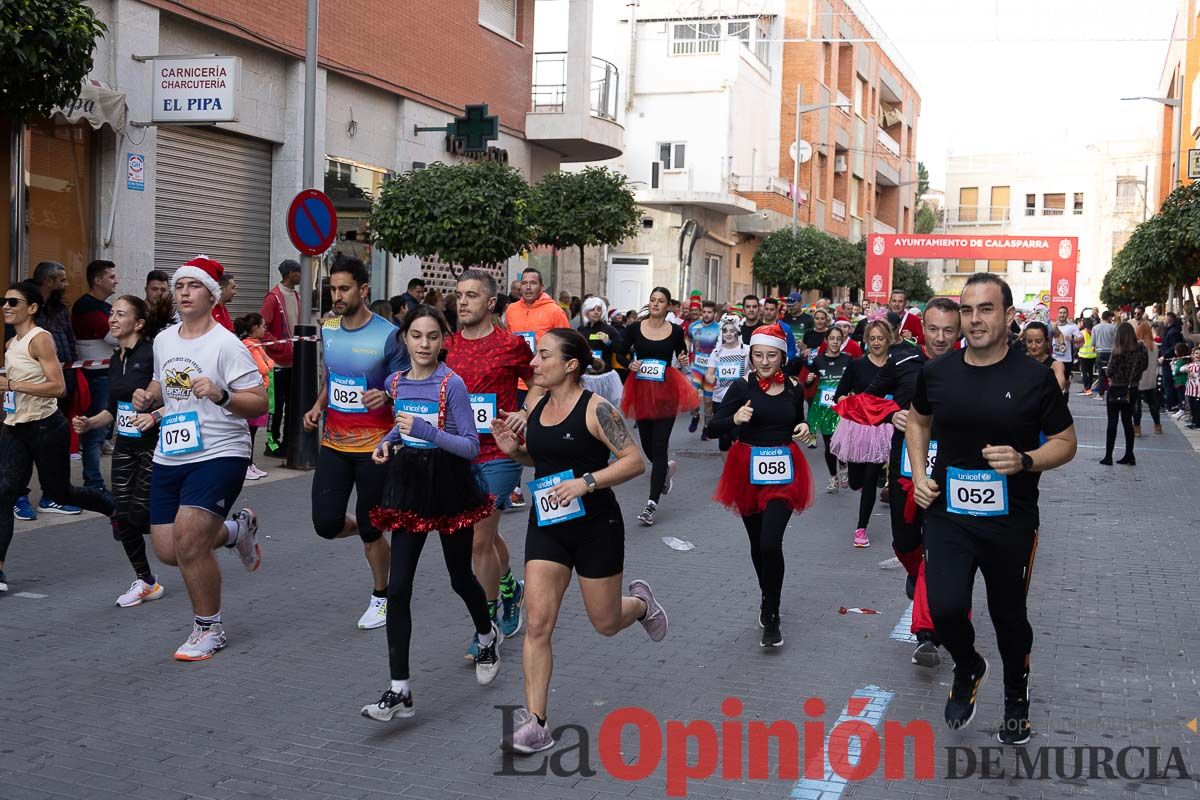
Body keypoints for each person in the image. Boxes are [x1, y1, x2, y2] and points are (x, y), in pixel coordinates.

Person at [907, 272, 1076, 744]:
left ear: (1006, 316)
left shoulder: (1033, 378)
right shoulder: (937, 372)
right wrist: (921, 475)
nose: (974, 319)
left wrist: (1025, 461)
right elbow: (918, 423)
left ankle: (1016, 700)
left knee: (1008, 617)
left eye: (986, 309)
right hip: (948, 513)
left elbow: (1066, 442)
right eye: (967, 310)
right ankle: (968, 665)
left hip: (1010, 520)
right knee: (944, 609)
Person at [490, 328, 667, 754]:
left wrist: (587, 482)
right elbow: (545, 460)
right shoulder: (535, 406)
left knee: (605, 623)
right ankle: (536, 722)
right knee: (537, 623)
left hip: (595, 527)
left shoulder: (596, 409)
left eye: (543, 356)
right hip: (548, 525)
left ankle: (641, 605)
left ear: (570, 365)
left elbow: (634, 463)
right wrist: (514, 452)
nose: (534, 364)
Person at [360, 306, 500, 721]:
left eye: (433, 337)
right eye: (416, 336)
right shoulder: (396, 381)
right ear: (405, 339)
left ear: (444, 341)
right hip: (409, 486)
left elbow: (471, 446)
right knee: (399, 587)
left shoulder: (452, 384)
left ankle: (486, 633)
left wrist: (426, 433)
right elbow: (402, 425)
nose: (424, 344)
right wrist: (386, 441)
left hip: (450, 486)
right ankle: (399, 688)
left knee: (460, 577)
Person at [132, 256, 267, 661]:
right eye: (180, 286)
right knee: (169, 551)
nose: (185, 293)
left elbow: (259, 400)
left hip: (221, 450)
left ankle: (209, 628)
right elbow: (162, 382)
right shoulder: (164, 339)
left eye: (194, 286)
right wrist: (149, 397)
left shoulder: (227, 344)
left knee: (190, 541)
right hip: (172, 451)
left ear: (211, 294)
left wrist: (222, 395)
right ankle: (237, 530)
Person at [302, 258, 407, 630]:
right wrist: (317, 405)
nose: (337, 295)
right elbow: (332, 374)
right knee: (325, 523)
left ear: (364, 290)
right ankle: (367, 531)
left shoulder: (388, 334)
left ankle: (382, 596)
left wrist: (388, 396)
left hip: (376, 447)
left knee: (371, 526)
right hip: (334, 442)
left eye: (344, 288)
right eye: (332, 288)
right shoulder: (329, 328)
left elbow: (406, 384)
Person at [0, 282, 116, 594]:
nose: (6, 307)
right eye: (4, 302)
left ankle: (114, 509)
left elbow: (57, 388)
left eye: (13, 302)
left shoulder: (41, 339)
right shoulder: (12, 342)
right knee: (4, 494)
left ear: (32, 308)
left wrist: (11, 385)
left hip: (46, 427)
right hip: (14, 427)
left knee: (60, 492)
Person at [866, 297, 962, 668]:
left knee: (935, 554)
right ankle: (914, 572)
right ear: (922, 326)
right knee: (907, 542)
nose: (940, 338)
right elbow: (865, 397)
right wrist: (892, 414)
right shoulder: (902, 360)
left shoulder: (969, 365)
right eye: (933, 329)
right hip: (905, 469)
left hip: (948, 471)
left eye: (948, 331)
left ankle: (927, 636)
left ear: (959, 330)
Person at [445, 269, 536, 655]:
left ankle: (487, 624)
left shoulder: (512, 345)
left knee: (478, 540)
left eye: (471, 296)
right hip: (456, 452)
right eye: (459, 295)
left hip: (499, 452)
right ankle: (510, 587)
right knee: (487, 533)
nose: (462, 302)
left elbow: (539, 379)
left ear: (491, 303)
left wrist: (525, 411)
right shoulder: (446, 345)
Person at [708, 323, 814, 647]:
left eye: (771, 355)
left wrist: (803, 428)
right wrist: (734, 420)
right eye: (758, 355)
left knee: (771, 543)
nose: (765, 362)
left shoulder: (795, 387)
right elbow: (714, 428)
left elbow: (797, 419)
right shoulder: (741, 387)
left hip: (783, 471)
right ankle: (766, 597)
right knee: (757, 545)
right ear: (750, 356)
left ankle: (773, 610)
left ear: (782, 356)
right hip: (747, 469)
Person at [72, 294, 174, 606]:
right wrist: (90, 423)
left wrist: (152, 411)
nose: (112, 319)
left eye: (120, 314)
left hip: (155, 445)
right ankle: (146, 581)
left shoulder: (152, 353)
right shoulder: (116, 358)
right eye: (112, 313)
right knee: (121, 514)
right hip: (126, 446)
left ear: (139, 323)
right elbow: (113, 410)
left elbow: (174, 396)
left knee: (139, 515)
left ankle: (198, 530)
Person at [616, 287, 698, 526]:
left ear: (667, 306)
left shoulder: (674, 331)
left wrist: (683, 360)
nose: (655, 304)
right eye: (652, 300)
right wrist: (629, 364)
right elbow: (620, 354)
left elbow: (682, 356)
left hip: (666, 391)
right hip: (641, 390)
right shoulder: (634, 328)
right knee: (648, 446)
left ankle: (651, 504)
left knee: (660, 446)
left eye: (660, 301)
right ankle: (664, 470)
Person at [13, 262, 82, 520]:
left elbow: (68, 340)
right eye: (62, 280)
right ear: (49, 281)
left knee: (53, 444)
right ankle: (18, 497)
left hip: (60, 382)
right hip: (29, 385)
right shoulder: (22, 305)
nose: (66, 284)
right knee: (24, 444)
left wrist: (72, 373)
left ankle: (52, 496)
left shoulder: (58, 308)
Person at [504, 268, 571, 509]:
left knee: (540, 436)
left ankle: (546, 488)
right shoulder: (511, 310)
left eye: (533, 283)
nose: (529, 287)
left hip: (544, 384)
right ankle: (514, 488)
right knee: (515, 433)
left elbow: (567, 341)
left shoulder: (554, 311)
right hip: (517, 382)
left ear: (542, 286)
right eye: (525, 283)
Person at [830, 318, 896, 548]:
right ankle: (849, 471)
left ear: (889, 340)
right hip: (857, 426)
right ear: (866, 340)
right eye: (872, 338)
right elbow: (839, 393)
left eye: (881, 338)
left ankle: (861, 528)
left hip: (882, 427)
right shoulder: (857, 365)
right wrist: (846, 400)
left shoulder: (896, 364)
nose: (877, 343)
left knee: (869, 479)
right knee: (858, 480)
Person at [71, 259, 119, 495]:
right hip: (96, 378)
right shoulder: (87, 307)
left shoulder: (102, 306)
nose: (115, 280)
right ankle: (93, 482)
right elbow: (113, 336)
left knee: (101, 431)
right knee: (95, 431)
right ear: (97, 280)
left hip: (105, 376)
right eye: (111, 276)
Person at [261, 259, 302, 458]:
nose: (301, 275)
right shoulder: (273, 298)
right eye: (298, 272)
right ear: (290, 273)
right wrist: (280, 345)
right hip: (276, 363)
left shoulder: (297, 296)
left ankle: (287, 441)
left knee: (291, 405)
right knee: (275, 407)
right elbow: (263, 328)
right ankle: (271, 443)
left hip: (293, 362)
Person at [805, 326, 853, 493]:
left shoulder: (848, 360)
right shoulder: (818, 361)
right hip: (825, 408)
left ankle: (843, 464)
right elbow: (808, 384)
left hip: (842, 408)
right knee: (829, 444)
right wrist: (809, 380)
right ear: (826, 340)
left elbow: (854, 382)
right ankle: (833, 478)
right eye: (831, 338)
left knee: (841, 442)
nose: (834, 342)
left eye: (838, 339)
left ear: (842, 341)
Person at [1098, 322, 1147, 466]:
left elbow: (1110, 371)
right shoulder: (1141, 349)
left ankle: (1108, 456)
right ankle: (1129, 454)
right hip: (1132, 388)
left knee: (1112, 422)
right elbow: (1145, 366)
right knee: (1127, 421)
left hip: (1116, 389)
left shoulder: (1118, 350)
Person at [234, 313, 273, 481]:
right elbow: (264, 368)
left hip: (261, 390)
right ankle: (245, 465)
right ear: (254, 328)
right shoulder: (250, 346)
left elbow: (269, 362)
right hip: (252, 394)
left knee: (253, 432)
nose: (265, 329)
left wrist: (267, 361)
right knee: (249, 432)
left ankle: (250, 464)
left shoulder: (256, 345)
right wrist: (267, 361)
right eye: (263, 326)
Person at [704, 314, 751, 452]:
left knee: (739, 436)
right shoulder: (717, 352)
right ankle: (728, 471)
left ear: (737, 332)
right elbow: (709, 373)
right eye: (725, 331)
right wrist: (710, 378)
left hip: (740, 399)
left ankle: (740, 468)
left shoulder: (746, 350)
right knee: (724, 440)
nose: (728, 334)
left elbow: (755, 369)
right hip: (720, 399)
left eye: (732, 330)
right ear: (721, 333)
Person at [578, 296, 624, 407]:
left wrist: (608, 342)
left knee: (604, 408)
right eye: (592, 309)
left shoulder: (609, 329)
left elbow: (621, 348)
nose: (596, 312)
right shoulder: (581, 329)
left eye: (598, 310)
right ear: (586, 311)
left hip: (604, 376)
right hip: (586, 375)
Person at [687, 300, 721, 436]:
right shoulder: (693, 326)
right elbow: (688, 339)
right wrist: (685, 348)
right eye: (704, 312)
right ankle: (695, 416)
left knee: (707, 401)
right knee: (692, 394)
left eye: (709, 312)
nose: (706, 315)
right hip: (696, 367)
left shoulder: (719, 329)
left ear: (714, 313)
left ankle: (707, 426)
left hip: (711, 370)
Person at [1133, 321, 1162, 436]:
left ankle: (1137, 428)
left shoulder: (1137, 346)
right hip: (1151, 379)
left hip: (1138, 379)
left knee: (1136, 405)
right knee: (1153, 403)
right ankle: (1157, 426)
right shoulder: (1154, 346)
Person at [1021, 322, 1068, 391]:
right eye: (1029, 341)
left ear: (1047, 341)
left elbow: (1059, 386)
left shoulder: (1055, 365)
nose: (1033, 346)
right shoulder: (1019, 361)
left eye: (1038, 341)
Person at [1050, 306, 1080, 395]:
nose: (1062, 315)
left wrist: (1072, 339)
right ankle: (1057, 396)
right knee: (1056, 379)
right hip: (1055, 357)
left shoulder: (1072, 326)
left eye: (1064, 313)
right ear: (1057, 314)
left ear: (1067, 314)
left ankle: (1066, 392)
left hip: (1067, 358)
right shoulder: (1053, 326)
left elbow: (1080, 338)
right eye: (1060, 313)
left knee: (1066, 380)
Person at [1160, 312, 1185, 412]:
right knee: (1167, 383)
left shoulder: (1173, 332)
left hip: (1169, 360)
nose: (1164, 320)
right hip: (1167, 359)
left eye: (1165, 318)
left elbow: (1174, 347)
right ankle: (1171, 404)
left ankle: (1171, 404)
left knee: (1168, 383)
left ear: (1169, 320)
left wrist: (1164, 355)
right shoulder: (1170, 331)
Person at [1092, 310, 1117, 397]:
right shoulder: (1113, 327)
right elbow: (1116, 341)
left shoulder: (1095, 328)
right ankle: (1112, 393)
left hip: (1100, 352)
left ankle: (1100, 394)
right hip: (1110, 352)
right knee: (1112, 374)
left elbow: (1093, 342)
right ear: (1109, 317)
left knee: (1101, 374)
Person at [1077, 318, 1096, 396]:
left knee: (1084, 372)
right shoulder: (1094, 332)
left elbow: (1079, 343)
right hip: (1092, 354)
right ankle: (1089, 387)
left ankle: (1086, 387)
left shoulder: (1082, 332)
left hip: (1083, 354)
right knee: (1091, 372)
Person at [1183, 345, 1200, 428]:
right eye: (1196, 353)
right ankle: (1194, 421)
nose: (1198, 355)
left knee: (1197, 407)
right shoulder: (1190, 365)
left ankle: (1197, 423)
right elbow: (1181, 369)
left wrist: (1192, 373)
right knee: (1192, 406)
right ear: (1193, 355)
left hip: (1198, 390)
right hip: (1191, 390)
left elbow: (1196, 375)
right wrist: (1187, 370)